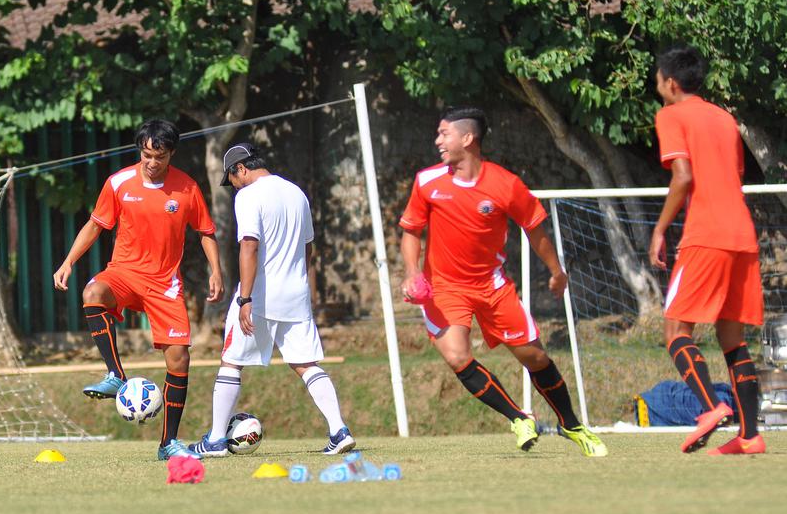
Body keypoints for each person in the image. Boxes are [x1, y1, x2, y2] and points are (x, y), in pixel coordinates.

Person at [398, 107, 607, 457]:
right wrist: (412, 271)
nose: (438, 140)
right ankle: (518, 417)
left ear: (468, 138)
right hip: (445, 288)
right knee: (456, 355)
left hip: (493, 287)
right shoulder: (427, 181)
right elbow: (410, 231)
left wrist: (557, 271)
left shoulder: (506, 184)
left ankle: (572, 425)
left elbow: (535, 231)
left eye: (444, 133)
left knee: (535, 358)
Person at [53, 119, 224, 460]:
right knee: (93, 293)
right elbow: (95, 224)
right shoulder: (118, 183)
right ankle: (115, 374)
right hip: (125, 273)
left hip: (165, 284)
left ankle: (168, 443)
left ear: (171, 154)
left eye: (158, 156)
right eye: (145, 154)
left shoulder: (187, 188)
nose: (151, 162)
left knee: (179, 359)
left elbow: (205, 231)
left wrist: (216, 272)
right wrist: (69, 261)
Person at [190, 143, 355, 457]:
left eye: (232, 178)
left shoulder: (249, 195)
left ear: (241, 168)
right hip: (296, 293)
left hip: (261, 294)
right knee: (306, 363)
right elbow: (308, 250)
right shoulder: (297, 193)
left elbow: (249, 246)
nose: (233, 185)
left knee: (232, 361)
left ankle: (214, 440)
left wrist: (246, 299)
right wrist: (309, 291)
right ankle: (339, 430)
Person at [650, 47, 765, 455]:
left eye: (658, 78)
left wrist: (660, 230)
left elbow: (683, 176)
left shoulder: (670, 115)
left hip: (706, 235)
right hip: (742, 235)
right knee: (732, 337)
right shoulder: (724, 118)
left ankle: (711, 407)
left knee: (676, 331)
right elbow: (732, 174)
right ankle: (750, 436)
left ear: (671, 83)